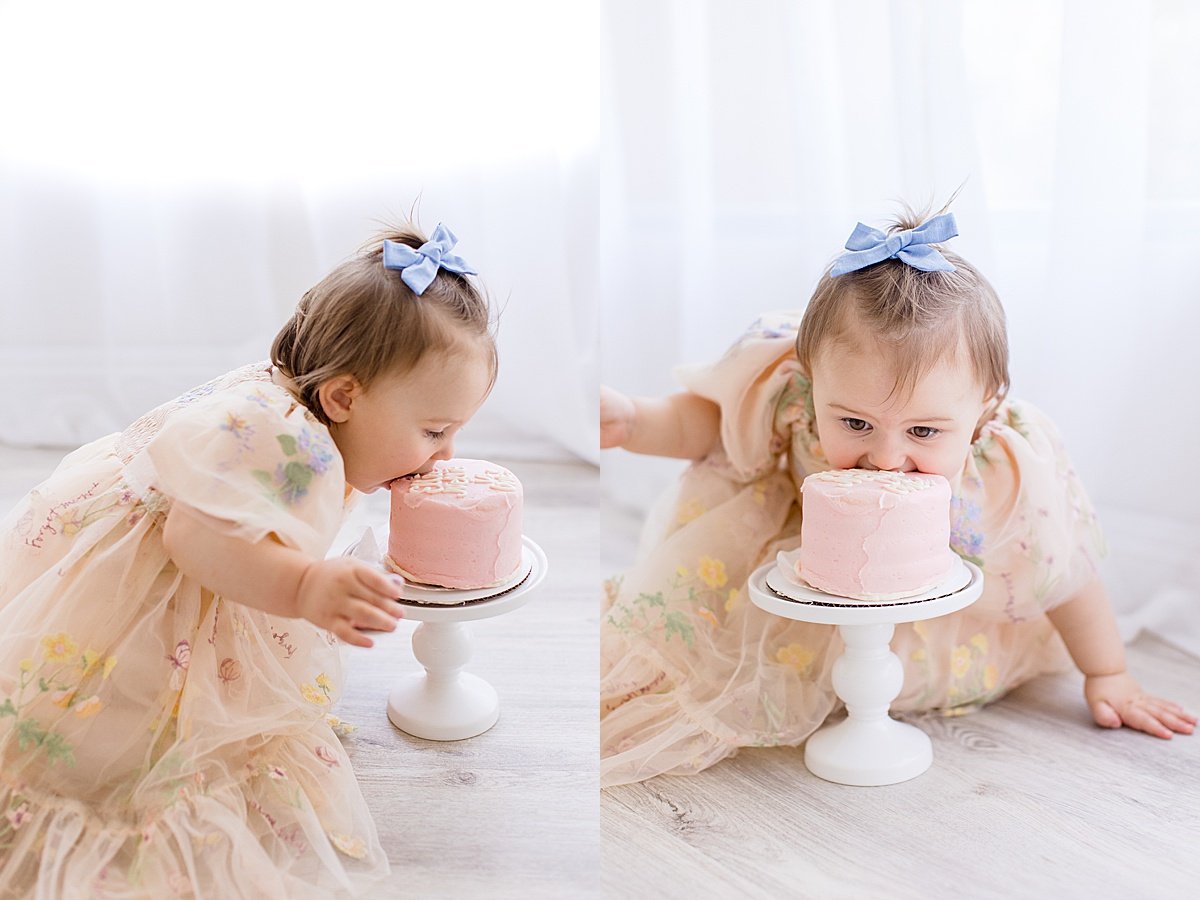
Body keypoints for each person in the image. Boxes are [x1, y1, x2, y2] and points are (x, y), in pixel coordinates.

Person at [599, 206, 1196, 787]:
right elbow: (712, 421)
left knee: (884, 667)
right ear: (810, 378)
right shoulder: (794, 394)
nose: (886, 458)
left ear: (985, 403)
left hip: (939, 617)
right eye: (855, 424)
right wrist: (634, 421)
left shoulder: (1004, 471)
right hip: (812, 573)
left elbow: (1063, 574)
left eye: (924, 432)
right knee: (700, 649)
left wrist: (1108, 673)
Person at [0, 223, 496, 896]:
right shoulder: (290, 442)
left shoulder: (298, 399)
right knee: (117, 720)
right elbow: (194, 542)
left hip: (195, 547)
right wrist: (303, 586)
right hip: (148, 583)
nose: (445, 455)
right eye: (435, 431)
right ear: (345, 397)